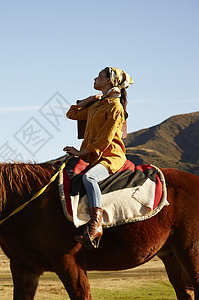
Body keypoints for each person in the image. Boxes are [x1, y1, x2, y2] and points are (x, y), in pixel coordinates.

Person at [63, 67, 133, 249]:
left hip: (110, 156)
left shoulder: (115, 107)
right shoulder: (98, 104)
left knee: (89, 177)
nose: (95, 78)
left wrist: (80, 152)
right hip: (92, 155)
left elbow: (105, 139)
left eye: (100, 76)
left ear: (109, 81)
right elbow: (72, 114)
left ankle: (96, 224)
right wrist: (88, 100)